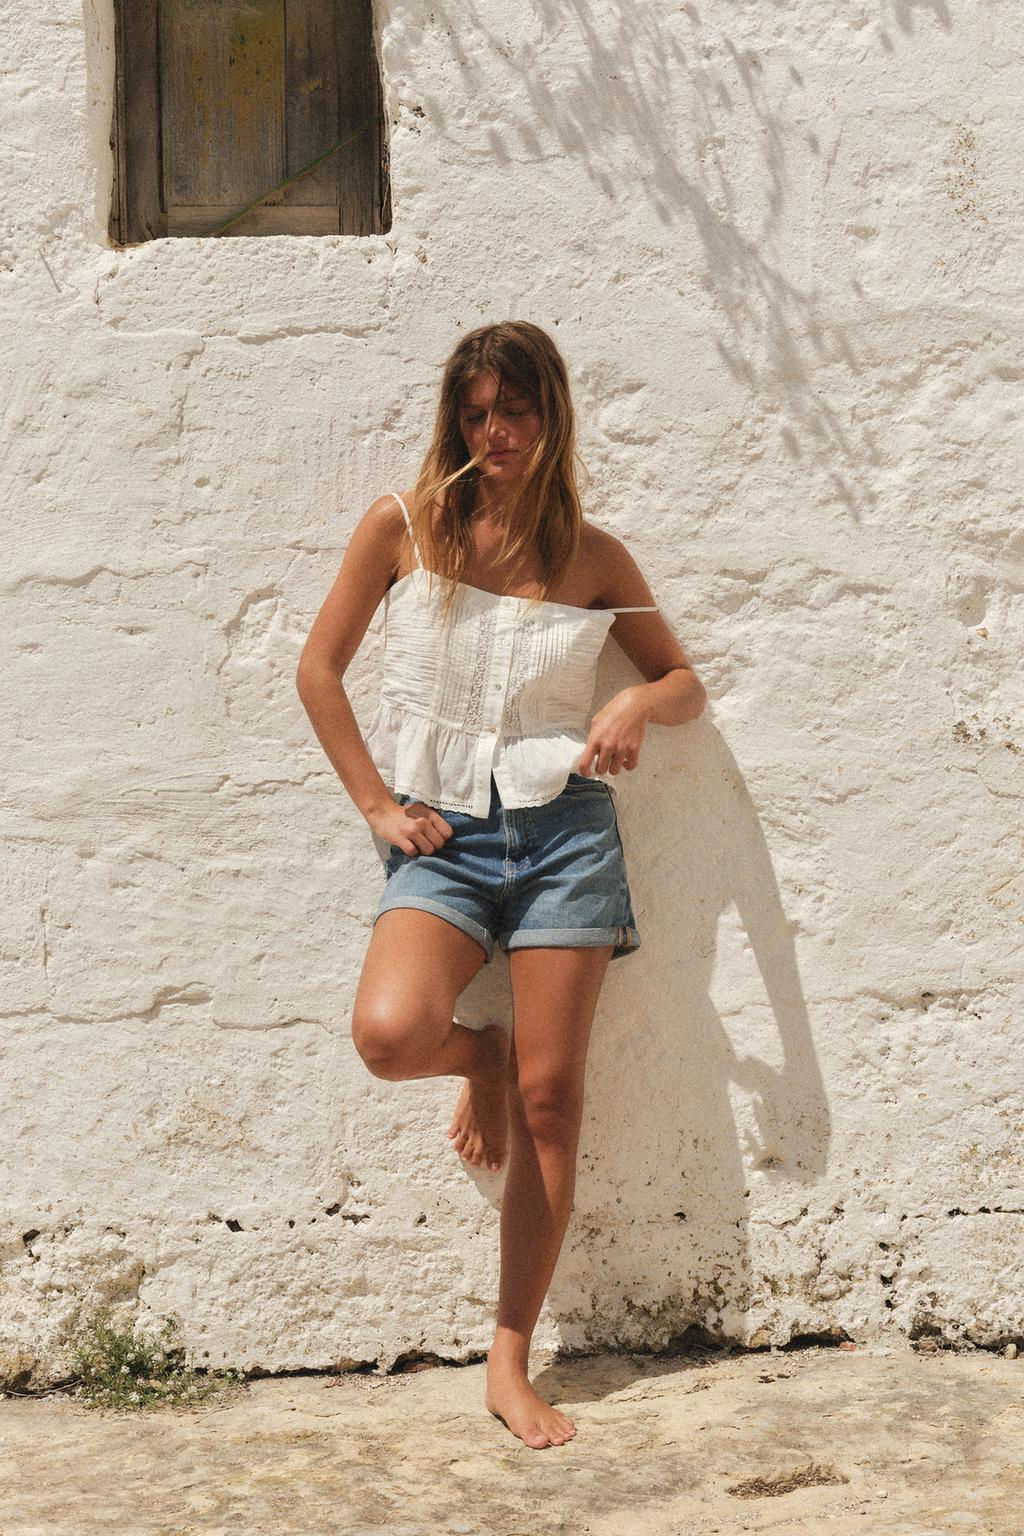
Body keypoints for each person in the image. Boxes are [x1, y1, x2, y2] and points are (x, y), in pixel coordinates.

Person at [295, 321, 706, 1450]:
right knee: (389, 1035)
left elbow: (682, 680)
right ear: (455, 420)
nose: (496, 434)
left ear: (550, 416)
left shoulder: (592, 556)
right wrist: (378, 808)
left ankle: (510, 1359)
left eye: (515, 412)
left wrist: (633, 701)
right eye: (476, 414)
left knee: (552, 1102)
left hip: (566, 837)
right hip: (445, 839)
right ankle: (479, 1054)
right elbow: (318, 671)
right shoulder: (403, 526)